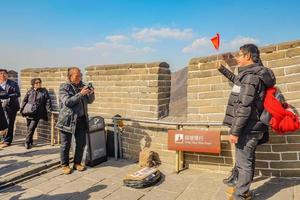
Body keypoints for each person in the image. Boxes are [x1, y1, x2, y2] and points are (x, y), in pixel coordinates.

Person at [218, 44, 276, 200]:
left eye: (239, 55)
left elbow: (244, 107)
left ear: (248, 56)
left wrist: (235, 131)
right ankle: (244, 192)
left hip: (248, 129)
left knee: (244, 164)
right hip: (254, 127)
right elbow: (238, 81)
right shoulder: (256, 74)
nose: (237, 58)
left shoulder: (251, 77)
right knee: (247, 161)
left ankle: (240, 195)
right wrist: (222, 69)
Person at [56, 67, 95, 175]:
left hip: (81, 119)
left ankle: (77, 163)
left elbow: (90, 101)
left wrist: (91, 93)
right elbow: (67, 102)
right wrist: (81, 94)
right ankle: (64, 165)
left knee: (81, 143)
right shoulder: (64, 87)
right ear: (70, 77)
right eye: (77, 76)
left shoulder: (82, 86)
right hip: (67, 120)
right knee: (66, 144)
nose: (80, 77)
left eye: (80, 75)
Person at [20, 78, 53, 149]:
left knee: (31, 127)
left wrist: (49, 110)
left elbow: (48, 101)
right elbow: (24, 101)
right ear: (33, 84)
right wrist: (21, 109)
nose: (38, 84)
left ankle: (27, 142)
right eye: (36, 83)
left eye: (39, 82)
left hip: (37, 112)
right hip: (28, 112)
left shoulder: (44, 91)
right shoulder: (30, 91)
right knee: (29, 127)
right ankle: (30, 140)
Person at [0, 69, 20, 148]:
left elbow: (17, 94)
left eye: (4, 73)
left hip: (11, 106)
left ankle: (7, 141)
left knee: (9, 123)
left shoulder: (13, 84)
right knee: (2, 124)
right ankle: (2, 138)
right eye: (0, 73)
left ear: (7, 75)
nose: (2, 75)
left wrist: (7, 97)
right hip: (0, 106)